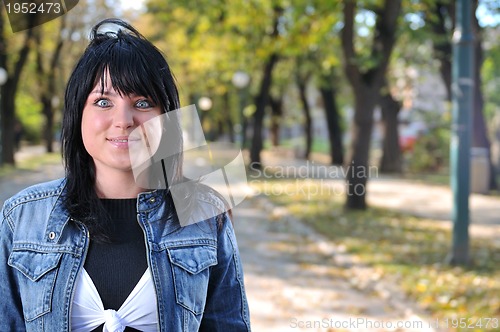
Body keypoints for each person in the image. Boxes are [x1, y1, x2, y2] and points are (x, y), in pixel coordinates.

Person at [0, 18, 251, 332]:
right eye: (103, 101)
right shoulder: (22, 217)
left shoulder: (204, 214)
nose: (123, 120)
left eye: (142, 102)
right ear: (78, 114)